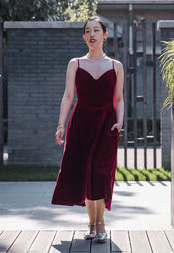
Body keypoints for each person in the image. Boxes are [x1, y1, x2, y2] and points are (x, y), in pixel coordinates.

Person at [51, 16, 124, 243]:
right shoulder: (75, 63)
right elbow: (68, 96)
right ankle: (91, 224)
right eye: (88, 31)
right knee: (85, 171)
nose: (92, 34)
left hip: (106, 124)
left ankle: (100, 224)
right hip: (81, 123)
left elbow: (119, 99)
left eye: (96, 30)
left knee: (100, 172)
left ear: (105, 35)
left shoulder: (115, 66)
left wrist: (119, 122)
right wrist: (61, 124)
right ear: (84, 37)